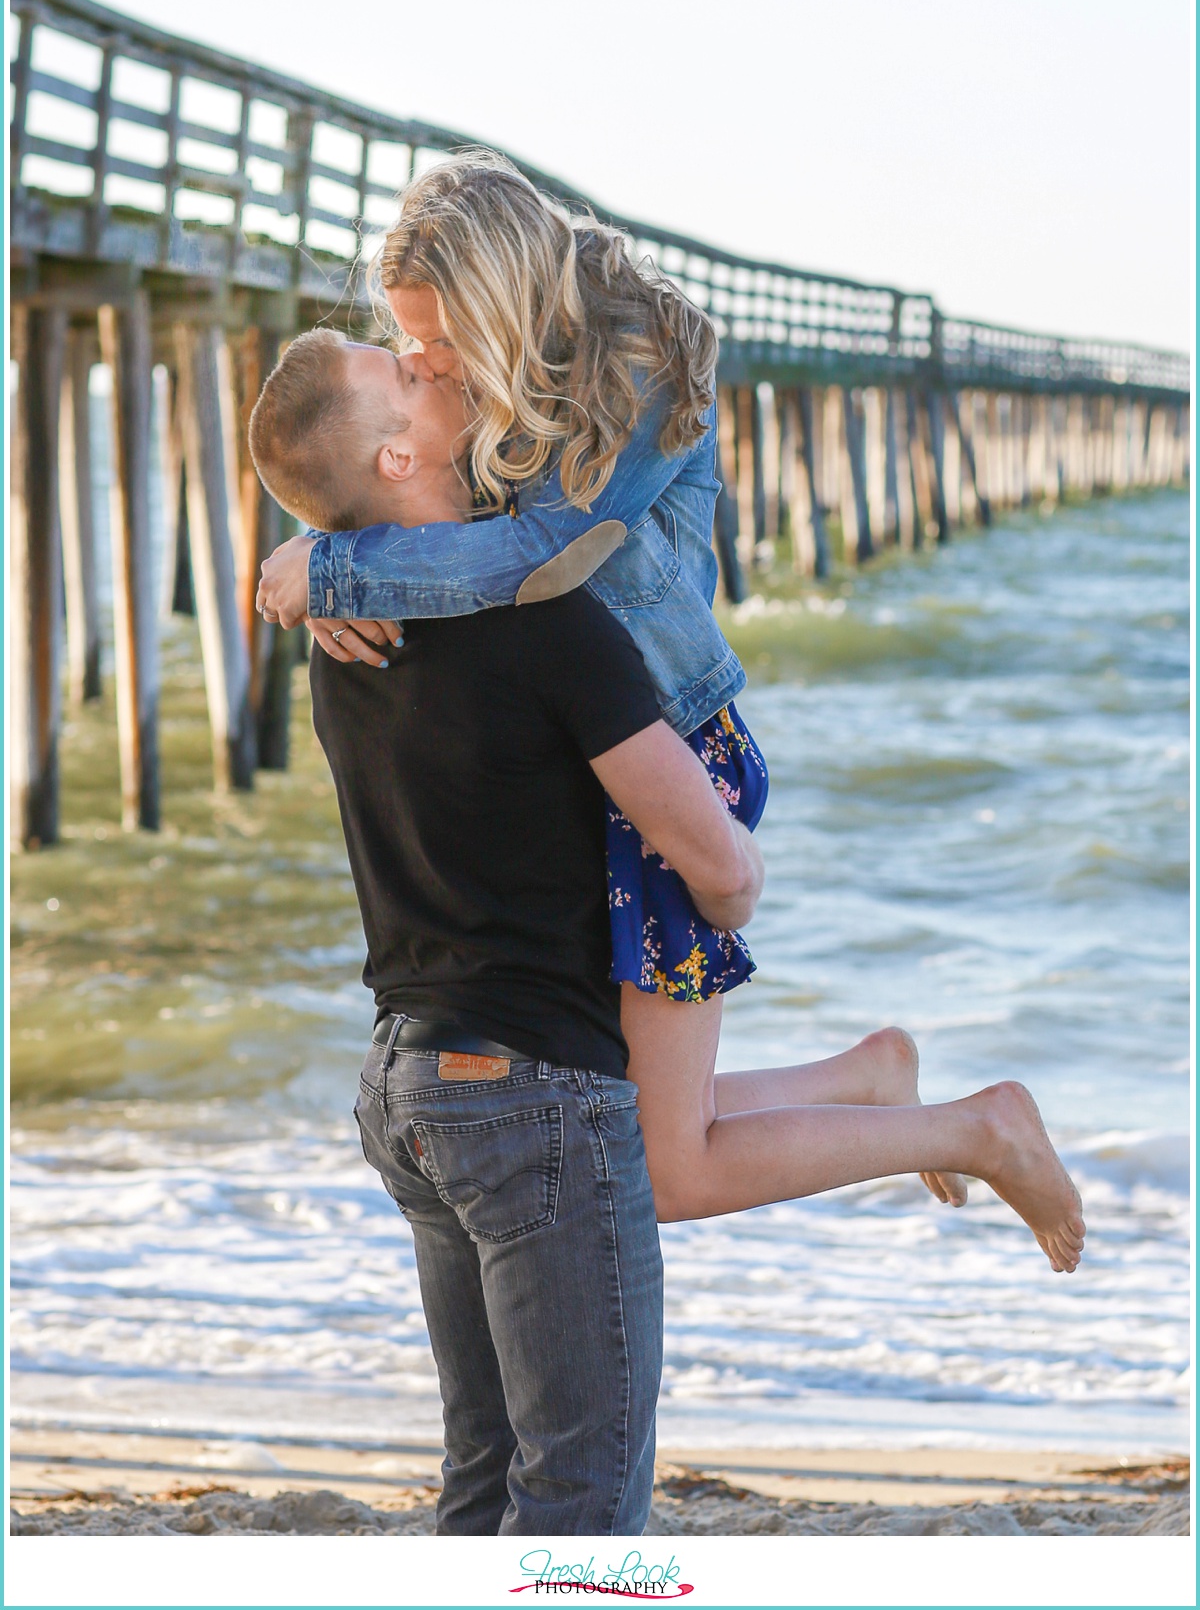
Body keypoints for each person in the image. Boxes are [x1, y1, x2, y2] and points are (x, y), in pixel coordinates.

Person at [255, 151, 1085, 1278]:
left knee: (668, 1166)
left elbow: (541, 553)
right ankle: (873, 1076)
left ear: (498, 296)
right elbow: (414, 490)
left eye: (435, 338)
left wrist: (342, 574)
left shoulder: (635, 367)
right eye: (405, 345)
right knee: (637, 1118)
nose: (424, 363)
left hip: (673, 748)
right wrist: (328, 545)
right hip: (596, 748)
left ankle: (974, 1128)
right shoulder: (506, 370)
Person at [249, 338, 765, 1537]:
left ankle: (887, 1094)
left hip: (409, 1088)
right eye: (408, 374)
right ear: (398, 451)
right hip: (530, 1099)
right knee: (580, 1504)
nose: (437, 363)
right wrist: (730, 881)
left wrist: (312, 565)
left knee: (484, 1486)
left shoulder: (344, 636)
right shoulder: (553, 626)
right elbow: (724, 875)